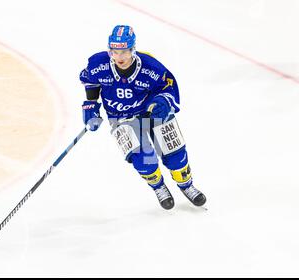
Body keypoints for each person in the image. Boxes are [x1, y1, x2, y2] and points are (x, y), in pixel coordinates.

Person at [79, 25, 206, 210]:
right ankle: (159, 187)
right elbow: (90, 80)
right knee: (143, 159)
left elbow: (167, 85)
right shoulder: (98, 64)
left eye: (124, 52)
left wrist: (162, 101)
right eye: (114, 51)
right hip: (121, 117)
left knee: (174, 152)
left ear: (132, 49)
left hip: (151, 111)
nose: (119, 57)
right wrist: (91, 105)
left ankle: (186, 185)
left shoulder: (150, 67)